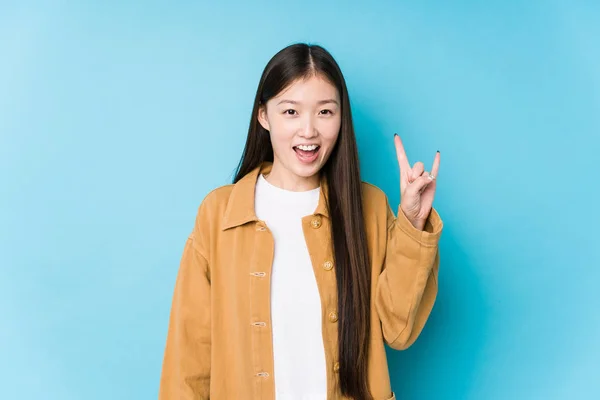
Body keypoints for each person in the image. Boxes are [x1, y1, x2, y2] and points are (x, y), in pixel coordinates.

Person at [158, 42, 443, 400]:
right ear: (264, 116)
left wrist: (412, 225)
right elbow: (189, 360)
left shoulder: (368, 207)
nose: (308, 131)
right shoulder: (219, 214)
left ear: (341, 117)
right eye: (291, 111)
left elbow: (399, 330)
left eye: (325, 112)